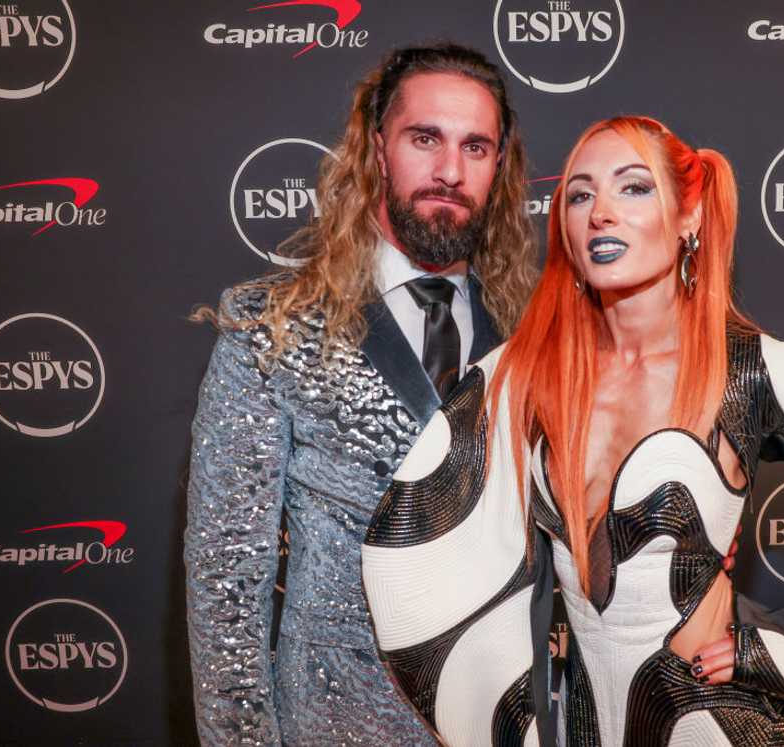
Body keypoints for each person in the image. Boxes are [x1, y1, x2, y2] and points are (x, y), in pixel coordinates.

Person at [361, 116, 784, 746]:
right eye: (580, 194)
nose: (601, 211)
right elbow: (414, 546)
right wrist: (510, 716)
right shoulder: (523, 377)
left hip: (720, 721)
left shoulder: (750, 370)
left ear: (689, 217)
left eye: (633, 187)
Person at [183, 43, 549, 746]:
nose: (449, 170)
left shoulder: (537, 340)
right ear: (377, 149)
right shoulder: (272, 330)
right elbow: (226, 589)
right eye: (425, 138)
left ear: (499, 167)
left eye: (476, 146)